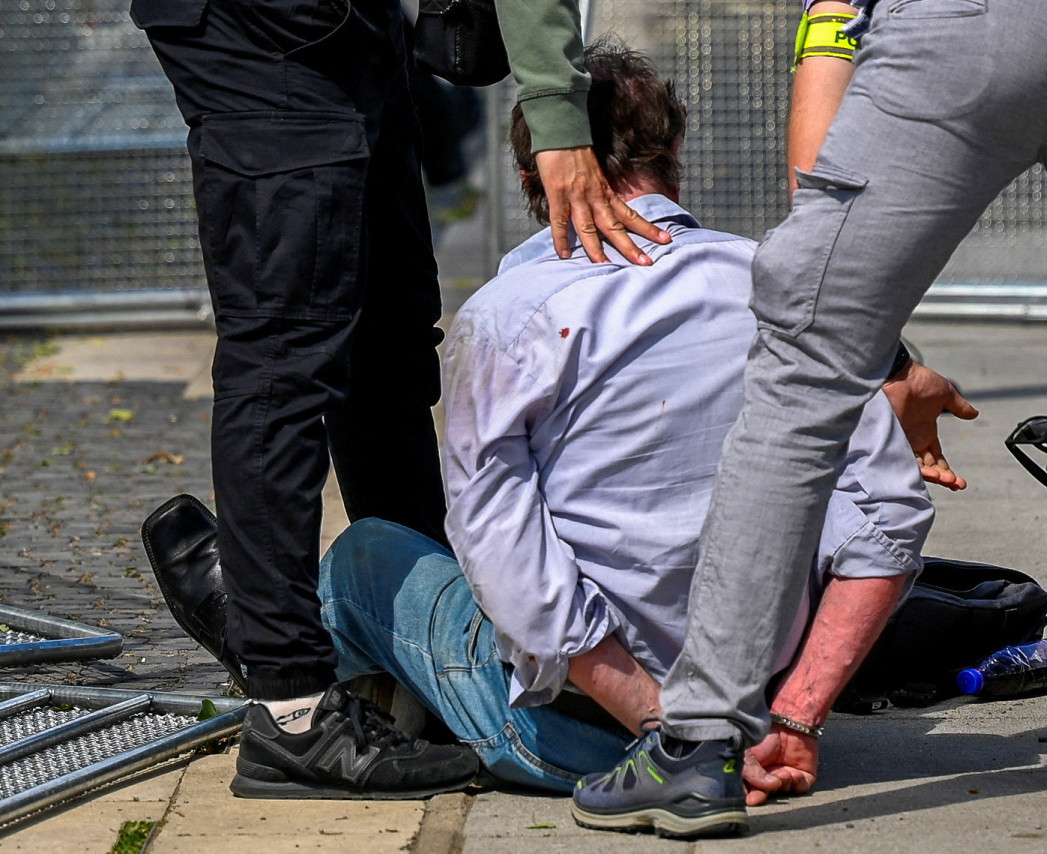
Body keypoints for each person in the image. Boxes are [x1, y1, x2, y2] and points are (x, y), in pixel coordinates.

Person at [573, 0, 1047, 836]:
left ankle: (700, 743)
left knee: (802, 382)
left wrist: (864, 345)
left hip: (956, 26)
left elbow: (824, 90)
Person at [316, 39, 975, 819]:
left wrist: (676, 739)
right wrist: (795, 719)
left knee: (365, 556)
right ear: (676, 150)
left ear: (536, 176)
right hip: (760, 717)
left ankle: (319, 690)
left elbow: (510, 561)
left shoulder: (510, 318)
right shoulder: (779, 288)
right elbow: (887, 521)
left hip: (580, 735)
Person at [130, 0, 670, 799]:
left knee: (387, 344)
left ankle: (421, 657)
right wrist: (557, 114)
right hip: (265, 35)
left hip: (354, 32)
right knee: (284, 355)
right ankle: (291, 709)